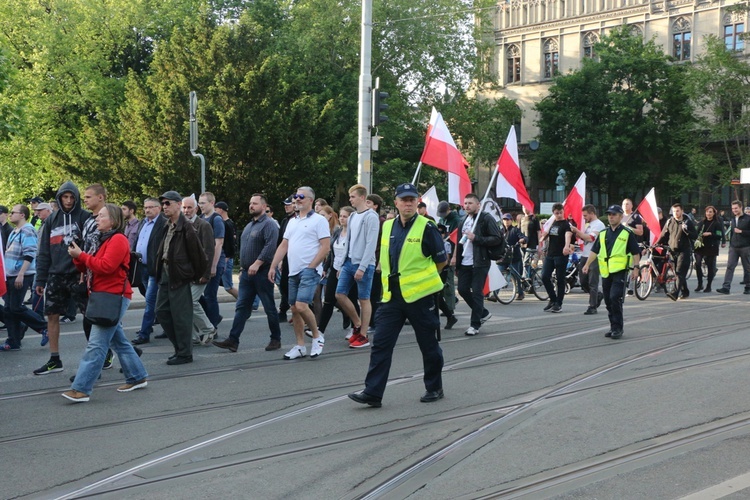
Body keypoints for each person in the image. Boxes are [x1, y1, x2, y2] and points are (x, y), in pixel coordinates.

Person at [348, 183, 447, 407]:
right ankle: (373, 393)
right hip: (392, 298)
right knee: (381, 344)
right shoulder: (389, 226)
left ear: (417, 201)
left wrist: (423, 281)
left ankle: (434, 387)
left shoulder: (427, 227)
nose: (408, 203)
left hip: (420, 298)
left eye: (412, 199)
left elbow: (441, 261)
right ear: (396, 202)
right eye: (404, 199)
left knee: (428, 345)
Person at [62, 203, 148, 402]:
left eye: (101, 216)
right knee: (118, 341)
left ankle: (81, 389)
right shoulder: (102, 239)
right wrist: (77, 256)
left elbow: (107, 267)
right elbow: (88, 267)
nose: (96, 219)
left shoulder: (118, 239)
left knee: (96, 345)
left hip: (113, 297)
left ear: (113, 221)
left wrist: (82, 256)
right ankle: (137, 376)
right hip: (104, 296)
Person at [33, 181, 91, 375]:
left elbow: (91, 247)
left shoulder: (84, 217)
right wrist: (40, 280)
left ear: (76, 198)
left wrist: (86, 272)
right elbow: (43, 252)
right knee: (52, 315)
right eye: (64, 197)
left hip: (78, 274)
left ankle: (100, 354)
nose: (68, 200)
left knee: (90, 316)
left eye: (71, 197)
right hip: (55, 274)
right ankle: (55, 359)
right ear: (59, 198)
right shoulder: (51, 220)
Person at [213, 194, 281, 352]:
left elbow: (271, 247)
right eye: (250, 203)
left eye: (255, 203)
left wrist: (258, 263)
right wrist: (244, 267)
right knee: (242, 306)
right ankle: (233, 340)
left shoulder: (269, 224)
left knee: (269, 306)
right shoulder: (250, 225)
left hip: (262, 273)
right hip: (246, 274)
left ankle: (275, 339)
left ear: (264, 207)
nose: (251, 206)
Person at [269, 186, 329, 360]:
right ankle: (300, 346)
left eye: (301, 196)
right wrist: (273, 266)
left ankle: (317, 336)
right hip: (292, 271)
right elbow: (284, 245)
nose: (297, 199)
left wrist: (312, 266)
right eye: (296, 196)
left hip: (309, 270)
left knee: (302, 305)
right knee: (294, 309)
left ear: (311, 199)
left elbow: (325, 246)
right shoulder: (292, 221)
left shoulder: (319, 220)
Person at [155, 191, 207, 365]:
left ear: (178, 204)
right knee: (161, 311)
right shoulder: (167, 225)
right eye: (163, 204)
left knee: (181, 316)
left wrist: (193, 275)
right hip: (165, 273)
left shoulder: (187, 227)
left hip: (179, 276)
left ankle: (184, 353)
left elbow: (199, 256)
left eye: (168, 203)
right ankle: (179, 347)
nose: (164, 207)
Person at [582, 205, 640, 340]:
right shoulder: (603, 233)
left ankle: (618, 328)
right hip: (606, 271)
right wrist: (587, 264)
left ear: (620, 216)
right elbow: (595, 251)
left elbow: (635, 252)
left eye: (614, 214)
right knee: (608, 300)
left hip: (620, 271)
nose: (611, 217)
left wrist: (636, 268)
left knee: (615, 298)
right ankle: (613, 326)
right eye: (609, 214)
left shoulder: (627, 233)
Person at [336, 184, 380, 349]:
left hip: (364, 264)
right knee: (339, 294)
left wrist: (362, 267)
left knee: (364, 299)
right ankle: (357, 324)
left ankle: (363, 335)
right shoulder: (353, 216)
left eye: (353, 197)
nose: (350, 199)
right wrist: (341, 264)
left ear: (362, 198)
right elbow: (349, 241)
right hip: (349, 262)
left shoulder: (371, 216)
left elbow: (371, 244)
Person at [453, 193, 503, 336]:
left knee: (477, 292)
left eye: (470, 203)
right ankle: (483, 312)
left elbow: (496, 238)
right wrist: (456, 259)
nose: (467, 206)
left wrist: (476, 238)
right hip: (464, 262)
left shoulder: (485, 219)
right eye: (465, 203)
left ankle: (474, 324)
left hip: (480, 261)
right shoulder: (463, 220)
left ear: (478, 205)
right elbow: (459, 242)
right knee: (462, 289)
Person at [1, 205, 47, 351]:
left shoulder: (27, 230)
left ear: (22, 215)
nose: (10, 215)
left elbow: (30, 252)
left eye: (13, 213)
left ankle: (43, 327)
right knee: (9, 309)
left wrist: (21, 273)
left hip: (21, 274)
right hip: (11, 274)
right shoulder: (16, 231)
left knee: (15, 307)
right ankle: (13, 340)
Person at [317, 206, 359, 337]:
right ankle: (320, 330)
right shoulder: (337, 232)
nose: (342, 219)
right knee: (328, 300)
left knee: (351, 299)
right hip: (334, 269)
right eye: (340, 216)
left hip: (348, 270)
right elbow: (331, 253)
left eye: (345, 216)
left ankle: (355, 327)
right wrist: (325, 268)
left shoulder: (355, 234)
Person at [131, 197, 167, 344]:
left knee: (151, 301)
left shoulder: (163, 223)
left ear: (159, 208)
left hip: (155, 268)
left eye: (151, 207)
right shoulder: (143, 223)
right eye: (145, 207)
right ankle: (166, 327)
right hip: (142, 267)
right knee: (153, 300)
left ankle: (144, 333)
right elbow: (137, 242)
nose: (147, 210)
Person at [182, 196, 216, 346]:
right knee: (185, 303)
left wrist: (205, 273)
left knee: (191, 301)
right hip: (185, 273)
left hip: (199, 272)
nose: (186, 210)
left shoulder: (203, 225)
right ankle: (194, 335)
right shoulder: (180, 224)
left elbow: (209, 251)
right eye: (184, 207)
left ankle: (208, 329)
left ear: (196, 209)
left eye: (190, 208)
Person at [657, 203, 697, 299]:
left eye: (677, 211)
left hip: (684, 251)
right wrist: (656, 244)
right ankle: (685, 291)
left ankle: (675, 293)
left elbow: (695, 236)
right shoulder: (670, 221)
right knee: (678, 273)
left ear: (682, 211)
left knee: (679, 272)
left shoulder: (687, 222)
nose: (675, 213)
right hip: (672, 251)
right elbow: (663, 235)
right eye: (674, 211)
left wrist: (687, 231)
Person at [539, 203, 573, 313]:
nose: (558, 215)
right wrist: (543, 237)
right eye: (556, 213)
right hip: (550, 254)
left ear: (563, 212)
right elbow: (545, 235)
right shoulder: (552, 223)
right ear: (553, 213)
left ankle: (559, 303)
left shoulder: (566, 224)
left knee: (560, 279)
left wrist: (566, 246)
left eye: (560, 212)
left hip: (561, 255)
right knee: (544, 276)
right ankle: (552, 299)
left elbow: (568, 235)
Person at [572, 205, 606, 314]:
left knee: (593, 282)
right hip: (585, 254)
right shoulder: (588, 225)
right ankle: (598, 296)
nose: (584, 218)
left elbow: (590, 238)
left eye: (585, 215)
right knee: (583, 281)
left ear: (592, 213)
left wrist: (577, 230)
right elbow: (583, 238)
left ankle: (592, 306)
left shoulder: (599, 225)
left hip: (594, 256)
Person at [716, 200, 750, 295]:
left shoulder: (748, 219)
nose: (734, 210)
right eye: (732, 208)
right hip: (734, 247)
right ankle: (726, 287)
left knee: (747, 268)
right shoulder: (733, 219)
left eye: (736, 208)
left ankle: (748, 286)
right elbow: (732, 233)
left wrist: (742, 232)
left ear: (741, 207)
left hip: (745, 247)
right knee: (730, 267)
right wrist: (730, 244)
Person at [694, 205, 723, 293]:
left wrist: (710, 234)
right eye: (707, 212)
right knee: (697, 264)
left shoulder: (717, 223)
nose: (708, 213)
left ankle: (708, 286)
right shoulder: (702, 222)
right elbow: (696, 231)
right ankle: (700, 284)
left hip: (711, 247)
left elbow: (719, 235)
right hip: (700, 246)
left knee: (710, 266)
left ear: (714, 213)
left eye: (710, 212)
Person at [276, 196, 296, 323]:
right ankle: (285, 309)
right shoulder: (285, 221)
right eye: (286, 204)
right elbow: (281, 242)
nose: (286, 206)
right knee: (284, 285)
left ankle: (297, 310)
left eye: (289, 204)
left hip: (297, 258)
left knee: (294, 285)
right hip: (286, 258)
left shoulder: (297, 220)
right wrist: (279, 259)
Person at [214, 201, 239, 299]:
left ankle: (246, 303)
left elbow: (230, 243)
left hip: (225, 258)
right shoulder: (230, 223)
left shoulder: (225, 224)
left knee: (228, 286)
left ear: (220, 209)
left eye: (215, 209)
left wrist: (227, 257)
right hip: (225, 258)